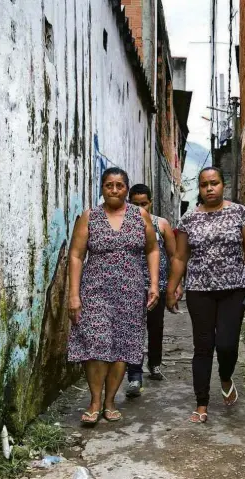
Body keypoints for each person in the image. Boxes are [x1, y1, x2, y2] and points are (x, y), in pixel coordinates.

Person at [166, 167, 245, 423]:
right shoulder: (189, 220)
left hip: (233, 288)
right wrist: (172, 287)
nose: (210, 188)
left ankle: (225, 376)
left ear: (222, 185)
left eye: (214, 183)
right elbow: (180, 256)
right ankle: (201, 404)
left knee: (227, 344)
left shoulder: (239, 213)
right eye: (204, 185)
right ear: (199, 189)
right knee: (203, 346)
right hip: (200, 290)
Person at [68, 168, 159, 424]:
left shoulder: (140, 216)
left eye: (120, 185)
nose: (115, 190)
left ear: (127, 189)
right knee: (95, 343)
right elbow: (76, 256)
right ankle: (95, 400)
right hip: (95, 290)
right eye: (109, 185)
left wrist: (153, 284)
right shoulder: (90, 217)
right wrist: (74, 295)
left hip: (130, 291)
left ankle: (110, 401)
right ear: (102, 188)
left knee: (122, 345)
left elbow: (152, 249)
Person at [126, 184, 182, 397]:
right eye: (135, 204)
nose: (140, 207)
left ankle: (155, 363)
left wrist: (176, 285)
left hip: (155, 286)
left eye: (144, 203)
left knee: (155, 327)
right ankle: (134, 376)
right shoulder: (123, 224)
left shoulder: (161, 224)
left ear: (151, 202)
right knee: (133, 330)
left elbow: (174, 255)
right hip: (129, 286)